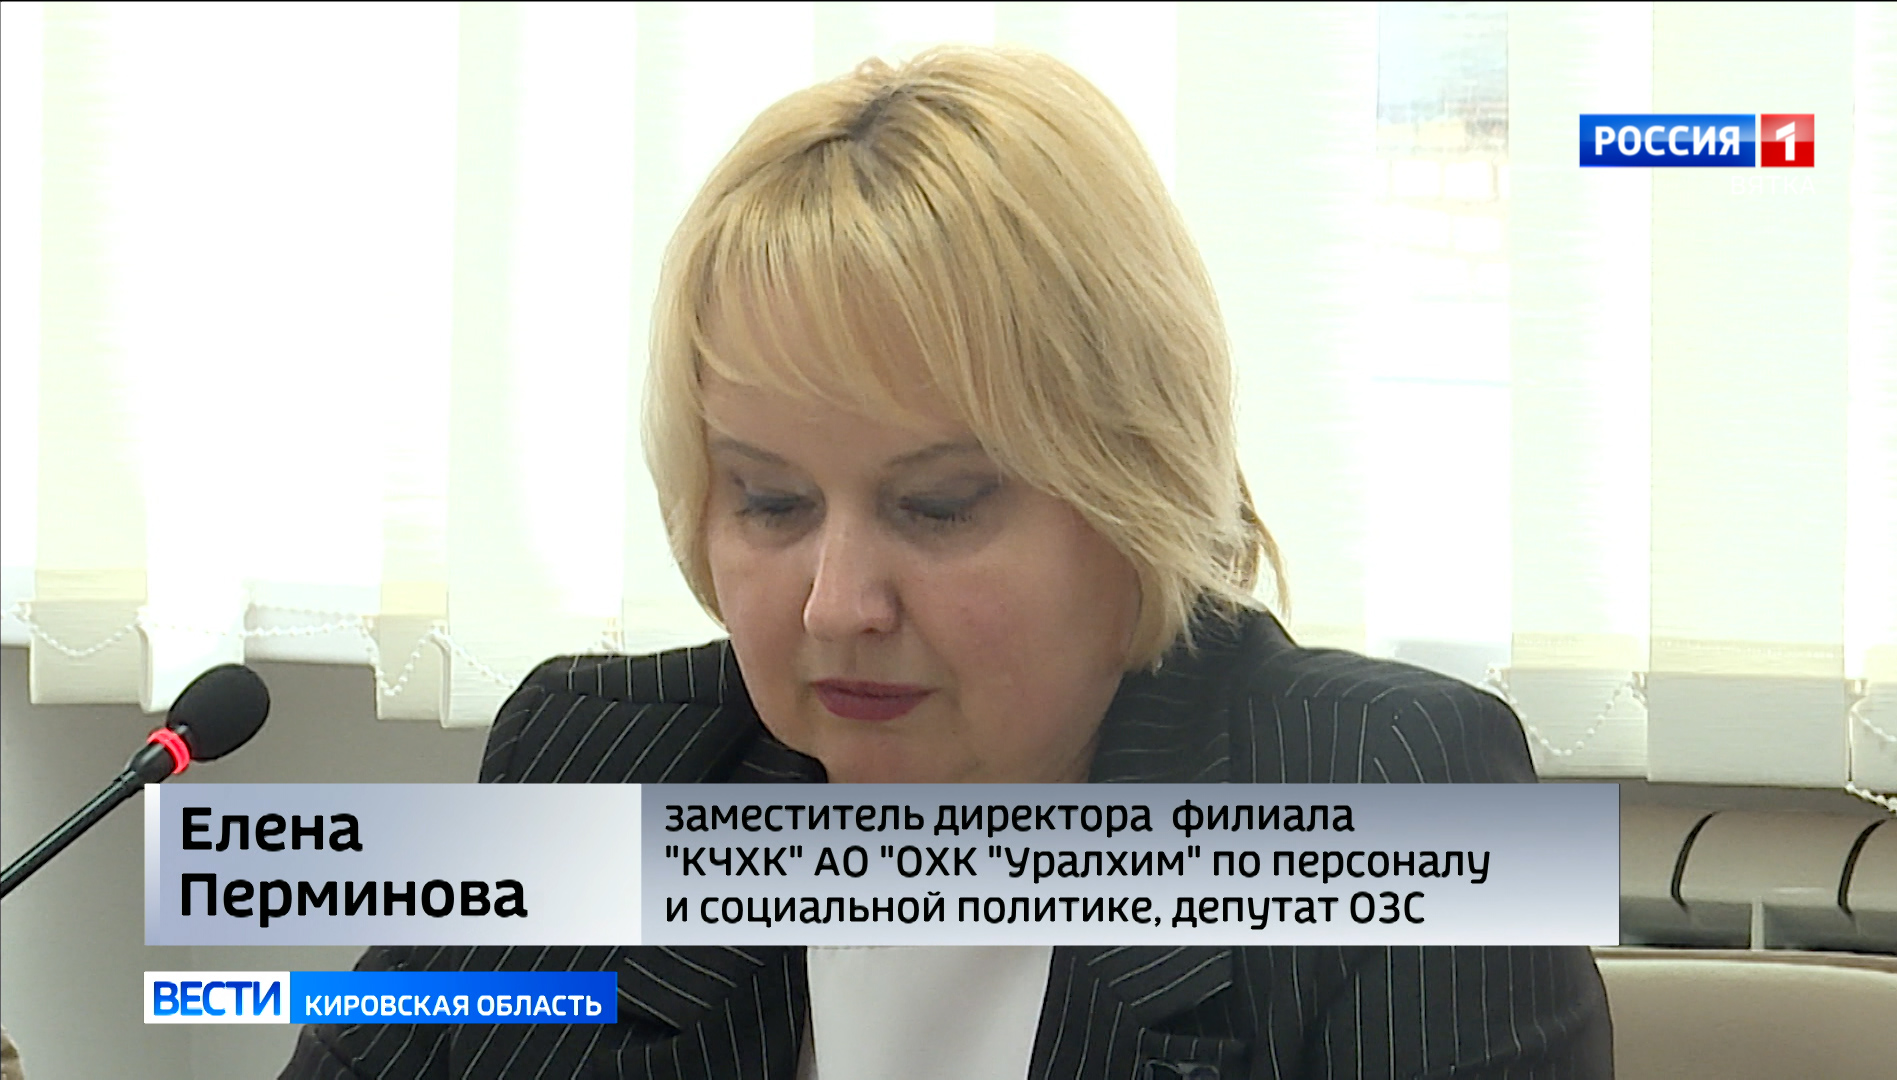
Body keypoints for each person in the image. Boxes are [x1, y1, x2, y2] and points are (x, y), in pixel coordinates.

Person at [283, 45, 1612, 1079]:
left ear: (1133, 490)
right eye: (769, 501)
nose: (837, 604)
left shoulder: (1393, 798)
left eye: (938, 507)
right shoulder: (593, 767)